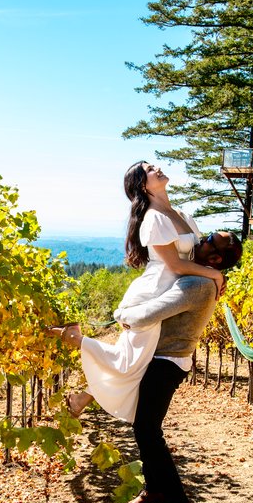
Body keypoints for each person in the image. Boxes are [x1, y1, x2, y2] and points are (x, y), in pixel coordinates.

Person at [53, 162, 228, 423]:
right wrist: (215, 275)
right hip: (155, 291)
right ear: (143, 186)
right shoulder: (154, 218)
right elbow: (176, 264)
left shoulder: (181, 214)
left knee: (139, 362)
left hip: (175, 292)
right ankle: (78, 341)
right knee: (130, 360)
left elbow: (197, 256)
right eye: (149, 169)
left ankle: (82, 398)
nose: (156, 168)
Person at [115, 231, 243, 503]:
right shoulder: (202, 277)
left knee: (148, 430)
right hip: (164, 359)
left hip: (166, 362)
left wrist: (122, 314)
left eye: (209, 239)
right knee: (143, 426)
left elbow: (150, 313)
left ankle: (179, 502)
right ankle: (155, 489)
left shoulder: (197, 284)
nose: (200, 240)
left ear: (215, 258)